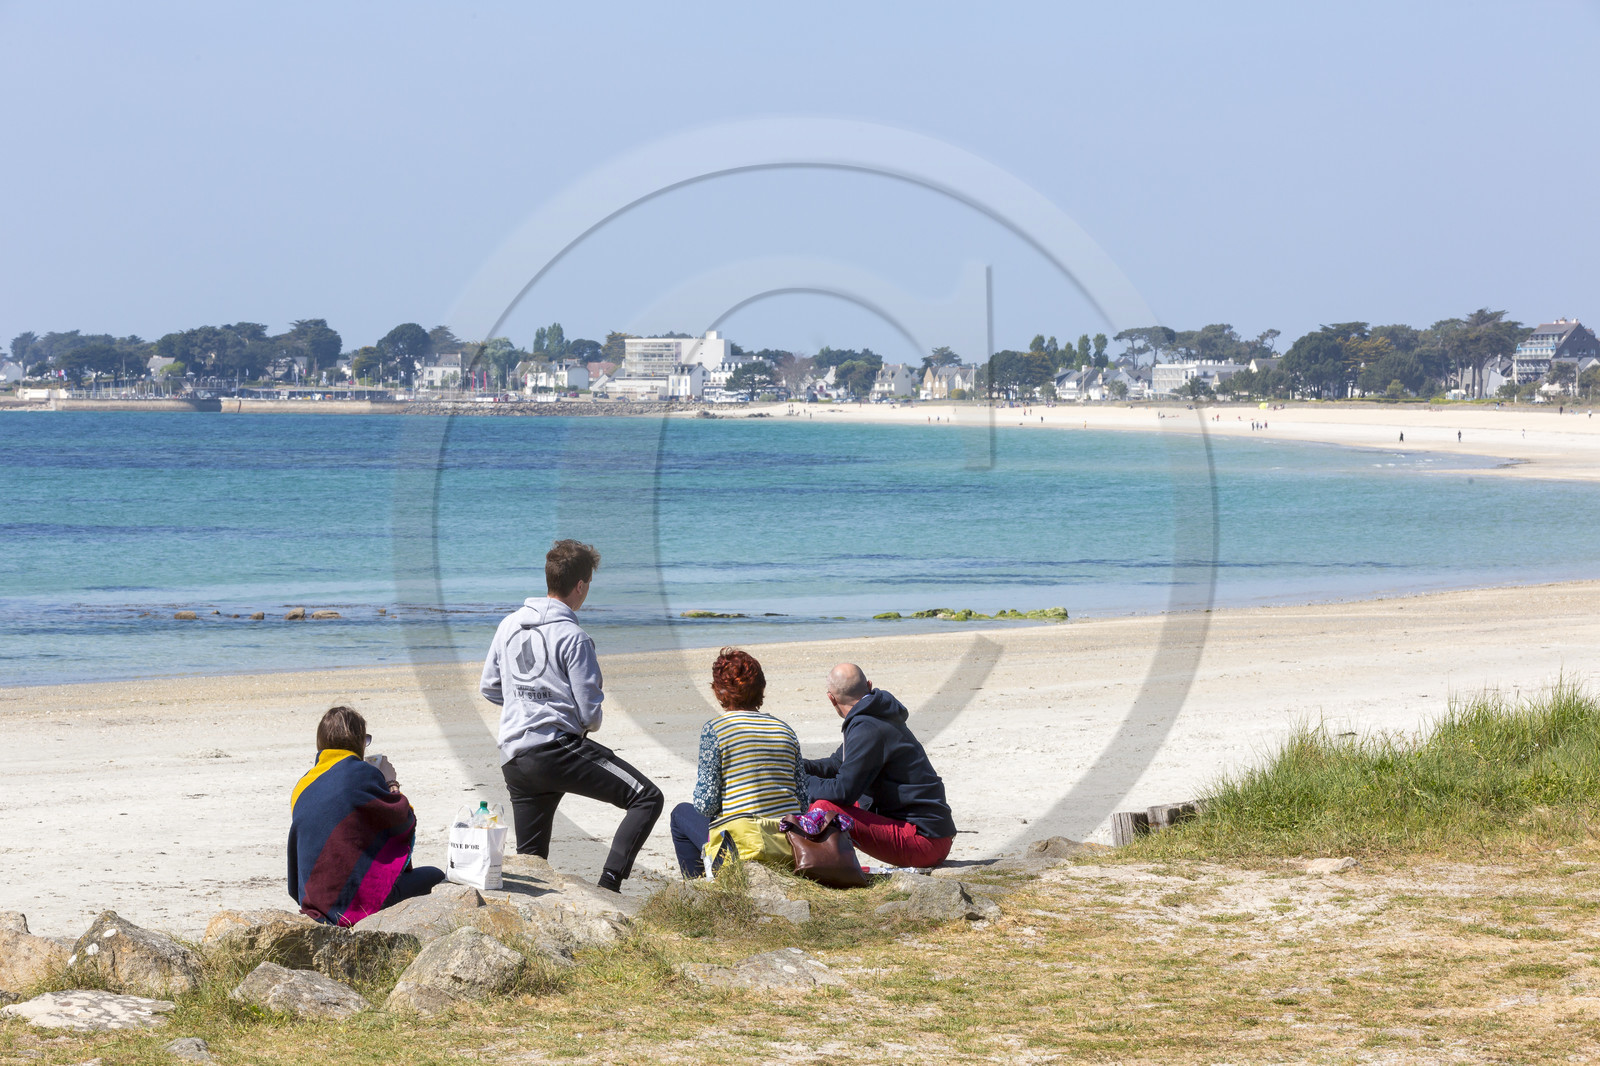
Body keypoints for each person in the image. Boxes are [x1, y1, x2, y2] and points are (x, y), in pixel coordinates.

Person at [481, 539, 663, 893]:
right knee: (647, 798)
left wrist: (526, 703)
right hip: (556, 750)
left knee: (532, 860)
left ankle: (529, 913)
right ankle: (608, 887)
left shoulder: (508, 625)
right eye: (589, 585)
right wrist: (552, 710)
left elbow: (490, 687)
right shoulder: (575, 637)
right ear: (580, 585)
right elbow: (590, 714)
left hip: (515, 756)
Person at [288, 705, 444, 926]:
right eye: (365, 739)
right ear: (358, 741)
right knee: (435, 875)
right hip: (351, 903)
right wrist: (390, 781)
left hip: (313, 899)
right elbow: (403, 820)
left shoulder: (304, 783)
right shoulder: (362, 773)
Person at [669, 648, 806, 878]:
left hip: (744, 843)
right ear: (760, 688)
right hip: (788, 843)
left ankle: (701, 890)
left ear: (719, 691)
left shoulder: (716, 729)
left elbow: (706, 805)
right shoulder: (785, 730)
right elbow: (802, 802)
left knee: (680, 814)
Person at [803, 663, 957, 868]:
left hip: (925, 841)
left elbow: (843, 791)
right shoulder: (876, 715)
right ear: (868, 685)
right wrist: (795, 766)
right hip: (931, 834)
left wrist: (799, 781)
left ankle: (824, 866)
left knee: (823, 809)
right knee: (827, 801)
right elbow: (835, 764)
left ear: (831, 698)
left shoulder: (867, 727)